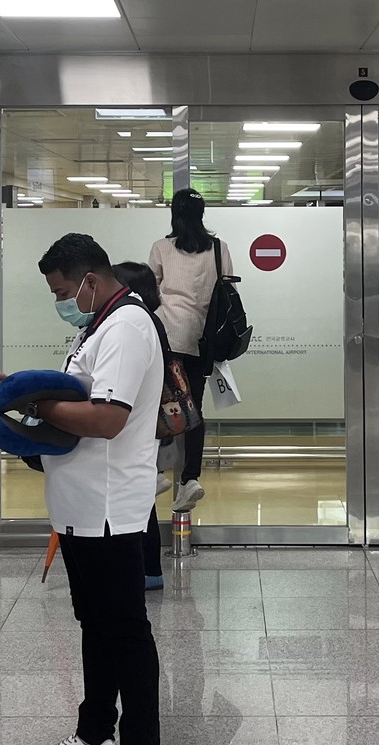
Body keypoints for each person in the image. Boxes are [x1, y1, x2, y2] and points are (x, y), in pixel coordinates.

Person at [0, 233, 162, 745]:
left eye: (62, 291)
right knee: (96, 624)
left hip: (108, 507)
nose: (59, 302)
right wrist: (34, 393)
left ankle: (140, 739)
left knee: (125, 631)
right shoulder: (99, 325)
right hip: (80, 505)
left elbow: (108, 418)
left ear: (90, 280)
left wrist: (38, 404)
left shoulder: (128, 326)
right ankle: (95, 733)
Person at [149, 187, 234, 514]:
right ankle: (191, 478)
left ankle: (157, 471)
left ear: (175, 214)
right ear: (201, 214)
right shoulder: (219, 249)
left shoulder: (161, 248)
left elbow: (150, 291)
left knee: (164, 404)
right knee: (194, 407)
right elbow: (228, 292)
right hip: (203, 340)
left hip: (168, 338)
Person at [113, 261, 172, 592]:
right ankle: (150, 569)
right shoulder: (150, 319)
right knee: (142, 496)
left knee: (139, 497)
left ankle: (148, 569)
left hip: (138, 423)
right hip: (146, 423)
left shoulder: (135, 321)